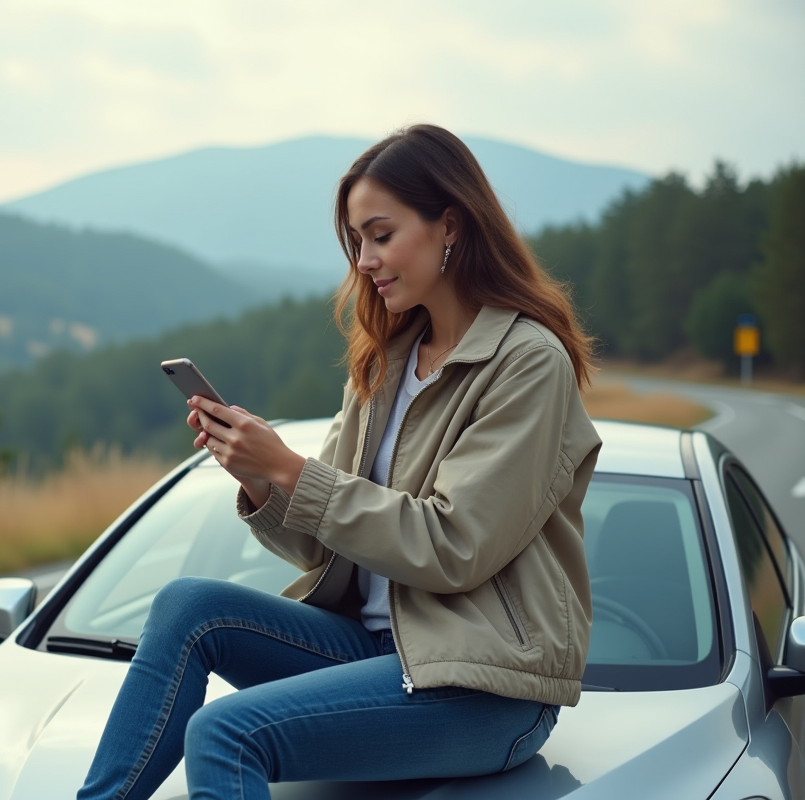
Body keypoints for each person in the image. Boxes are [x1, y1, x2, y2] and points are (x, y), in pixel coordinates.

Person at [77, 124, 602, 800]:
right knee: (188, 605)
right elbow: (325, 545)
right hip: (375, 653)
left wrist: (295, 472)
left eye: (381, 236)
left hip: (484, 684)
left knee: (223, 733)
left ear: (450, 225)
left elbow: (452, 546)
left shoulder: (528, 363)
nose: (364, 260)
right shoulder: (384, 364)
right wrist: (260, 478)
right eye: (356, 242)